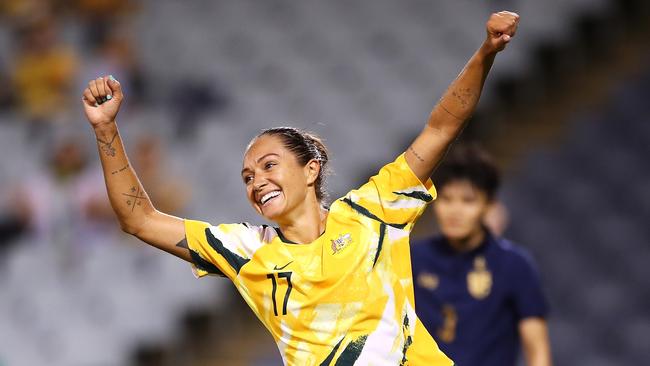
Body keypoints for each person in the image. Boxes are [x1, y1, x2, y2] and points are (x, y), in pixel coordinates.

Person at [81, 11, 520, 365]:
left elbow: (442, 127)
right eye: (248, 177)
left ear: (311, 170)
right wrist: (106, 131)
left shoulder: (374, 210)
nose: (256, 182)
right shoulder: (245, 250)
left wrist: (485, 53)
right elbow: (138, 220)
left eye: (269, 165)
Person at [410, 145, 551, 366]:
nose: (455, 211)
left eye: (468, 201)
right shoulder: (413, 258)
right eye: (446, 199)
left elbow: (537, 351)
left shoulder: (515, 265)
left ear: (489, 206)